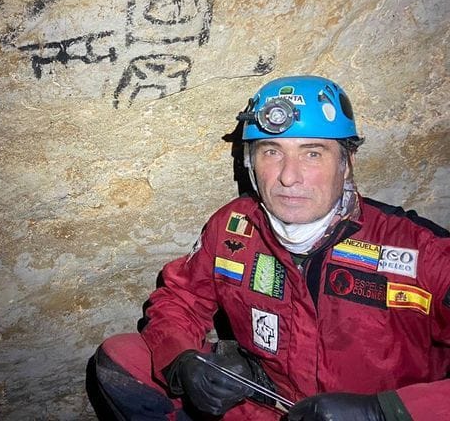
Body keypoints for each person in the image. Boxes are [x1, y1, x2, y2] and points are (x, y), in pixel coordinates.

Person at [91, 75, 450, 421]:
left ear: (346, 163)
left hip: (390, 413)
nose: (288, 176)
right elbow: (179, 300)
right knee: (124, 357)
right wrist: (184, 363)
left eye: (312, 153)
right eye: (271, 152)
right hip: (275, 406)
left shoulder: (422, 251)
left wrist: (384, 412)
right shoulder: (235, 228)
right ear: (250, 162)